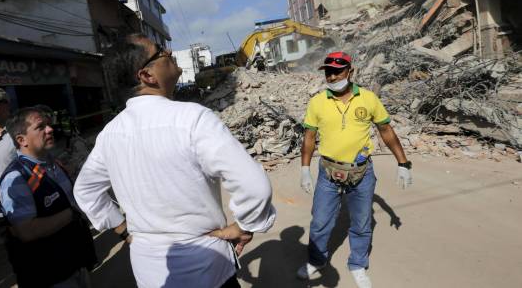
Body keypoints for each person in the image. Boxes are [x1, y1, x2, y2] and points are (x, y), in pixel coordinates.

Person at [74, 34, 276, 288]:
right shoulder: (192, 118)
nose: (169, 52)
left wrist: (122, 229)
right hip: (206, 269)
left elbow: (85, 190)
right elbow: (254, 186)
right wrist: (245, 225)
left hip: (150, 272)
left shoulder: (110, 134)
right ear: (146, 75)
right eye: (160, 51)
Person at [298, 52, 413, 288]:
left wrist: (403, 163)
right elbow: (309, 137)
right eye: (328, 71)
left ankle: (358, 264)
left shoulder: (368, 99)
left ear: (351, 71)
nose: (332, 76)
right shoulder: (317, 102)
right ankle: (316, 261)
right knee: (320, 222)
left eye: (337, 71)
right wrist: (304, 169)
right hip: (328, 173)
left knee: (361, 223)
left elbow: (386, 131)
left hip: (362, 173)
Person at [0, 106, 97, 288]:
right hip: (51, 275)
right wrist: (72, 213)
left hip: (75, 263)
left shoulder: (53, 164)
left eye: (49, 125)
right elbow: (26, 231)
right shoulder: (17, 178)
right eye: (40, 127)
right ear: (22, 140)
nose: (50, 129)